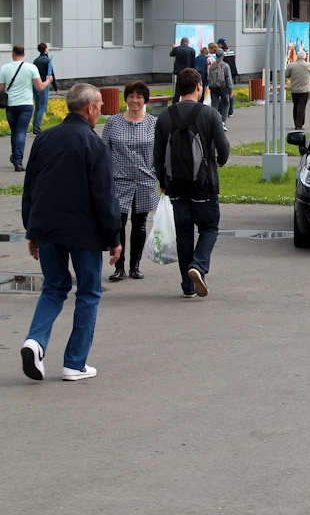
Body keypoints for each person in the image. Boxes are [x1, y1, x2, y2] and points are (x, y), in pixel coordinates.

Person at [19, 83, 122, 382]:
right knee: (88, 292)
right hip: (84, 233)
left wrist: (32, 229)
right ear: (89, 108)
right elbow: (105, 197)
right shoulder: (95, 145)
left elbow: (31, 187)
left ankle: (35, 341)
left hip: (48, 226)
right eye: (100, 105)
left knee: (54, 287)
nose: (102, 109)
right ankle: (74, 363)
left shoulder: (45, 139)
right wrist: (114, 238)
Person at [153, 68, 230, 298]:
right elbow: (223, 148)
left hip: (175, 185)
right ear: (199, 86)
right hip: (204, 184)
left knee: (184, 233)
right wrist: (221, 161)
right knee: (209, 228)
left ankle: (188, 287)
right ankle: (198, 265)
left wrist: (163, 181)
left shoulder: (165, 116)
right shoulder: (210, 114)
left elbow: (157, 155)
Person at [101, 80, 159, 282]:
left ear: (145, 100)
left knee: (140, 224)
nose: (134, 100)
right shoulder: (113, 122)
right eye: (131, 96)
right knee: (118, 223)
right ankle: (119, 267)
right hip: (119, 181)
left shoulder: (153, 123)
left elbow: (159, 151)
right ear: (126, 98)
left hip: (144, 180)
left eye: (139, 97)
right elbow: (104, 149)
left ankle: (135, 265)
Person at [0, 45, 53, 171]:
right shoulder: (31, 68)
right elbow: (40, 87)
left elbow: (1, 89)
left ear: (13, 53)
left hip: (11, 105)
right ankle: (18, 160)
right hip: (26, 104)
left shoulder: (4, 69)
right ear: (24, 54)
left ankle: (15, 156)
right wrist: (48, 80)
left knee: (15, 131)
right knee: (21, 132)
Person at [32, 43, 57, 134]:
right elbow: (51, 74)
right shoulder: (48, 61)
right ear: (46, 49)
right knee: (42, 105)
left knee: (37, 106)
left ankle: (35, 125)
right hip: (44, 85)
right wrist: (55, 87)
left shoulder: (36, 60)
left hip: (35, 85)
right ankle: (37, 126)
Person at [286, 49, 310, 129]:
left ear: (297, 57)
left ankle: (296, 123)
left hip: (295, 89)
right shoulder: (308, 65)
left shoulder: (291, 65)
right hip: (304, 90)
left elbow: (286, 75)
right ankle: (299, 125)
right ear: (305, 57)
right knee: (301, 107)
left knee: (295, 106)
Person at [208, 48, 233, 131]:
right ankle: (223, 122)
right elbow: (228, 79)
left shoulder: (212, 65)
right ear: (223, 55)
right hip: (223, 87)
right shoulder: (225, 66)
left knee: (214, 106)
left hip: (213, 87)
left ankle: (214, 123)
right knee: (226, 104)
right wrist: (230, 90)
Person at [170, 37, 196, 104]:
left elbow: (171, 54)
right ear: (187, 43)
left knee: (177, 89)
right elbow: (193, 61)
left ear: (181, 42)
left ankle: (175, 103)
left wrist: (173, 48)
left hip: (178, 71)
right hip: (188, 72)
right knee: (188, 88)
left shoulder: (177, 49)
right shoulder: (191, 50)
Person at [217, 39, 239, 117]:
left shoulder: (221, 53)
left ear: (220, 44)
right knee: (230, 92)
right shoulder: (231, 51)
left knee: (222, 93)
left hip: (224, 74)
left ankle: (220, 109)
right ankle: (231, 111)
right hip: (232, 73)